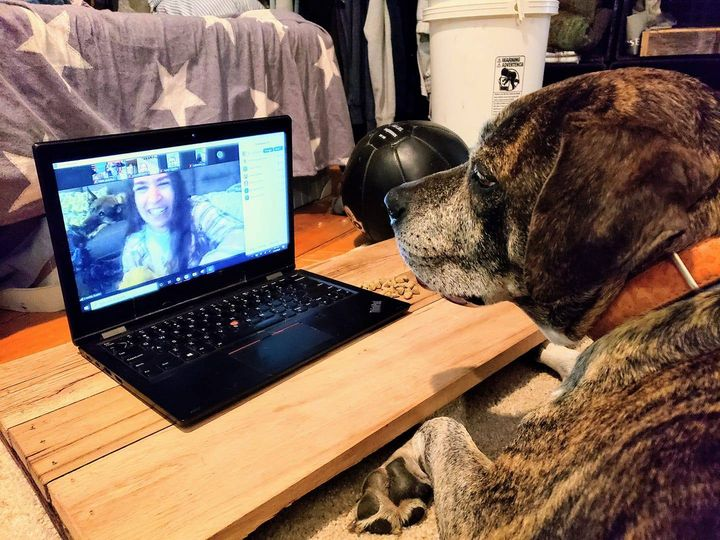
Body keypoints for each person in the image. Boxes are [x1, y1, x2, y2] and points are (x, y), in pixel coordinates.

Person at [120, 171, 245, 288]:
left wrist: (206, 271)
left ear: (176, 188)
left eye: (163, 183)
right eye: (142, 188)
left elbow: (238, 235)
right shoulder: (132, 248)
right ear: (133, 198)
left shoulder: (197, 211)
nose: (154, 198)